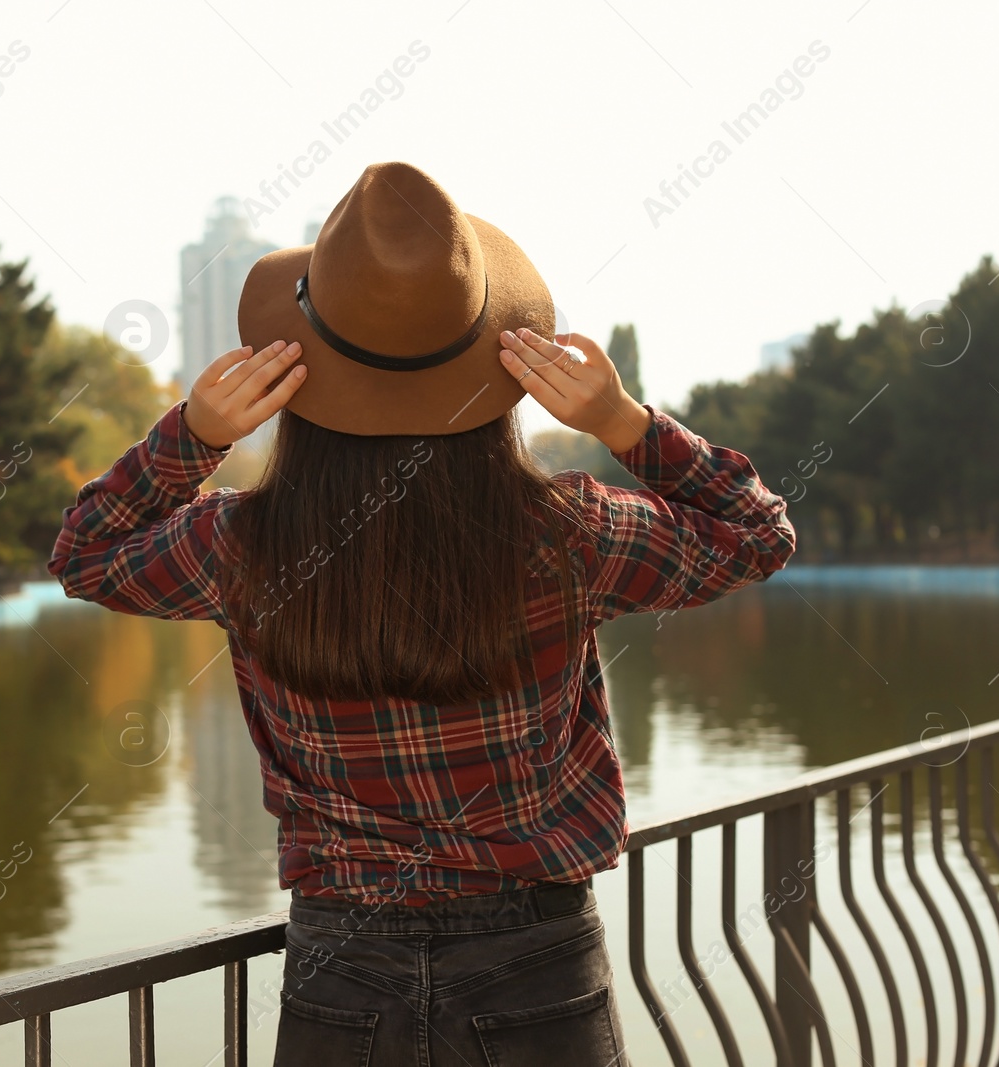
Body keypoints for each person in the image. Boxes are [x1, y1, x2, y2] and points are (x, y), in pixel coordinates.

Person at [48, 162, 796, 1066]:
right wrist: (626, 421)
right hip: (537, 955)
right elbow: (757, 532)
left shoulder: (240, 548)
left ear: (300, 379)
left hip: (341, 962)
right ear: (493, 372)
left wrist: (191, 439)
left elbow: (84, 553)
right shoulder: (571, 534)